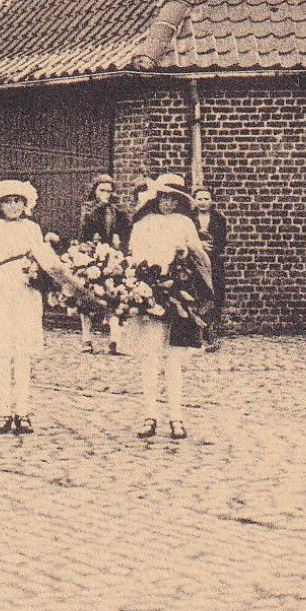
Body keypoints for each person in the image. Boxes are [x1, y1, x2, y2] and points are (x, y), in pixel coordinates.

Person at [0, 180, 73, 435]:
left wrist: (66, 280)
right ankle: (3, 412)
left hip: (25, 296)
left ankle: (22, 412)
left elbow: (46, 260)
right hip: (1, 296)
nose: (13, 206)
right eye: (8, 201)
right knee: (3, 354)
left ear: (25, 205)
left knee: (22, 354)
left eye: (18, 201)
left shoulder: (32, 228)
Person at [124, 174, 213, 439]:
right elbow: (134, 256)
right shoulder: (143, 225)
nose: (168, 203)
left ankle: (176, 417)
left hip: (177, 294)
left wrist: (187, 257)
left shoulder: (184, 222)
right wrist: (141, 284)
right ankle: (150, 415)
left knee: (173, 359)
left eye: (174, 199)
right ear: (156, 198)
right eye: (164, 198)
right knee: (150, 357)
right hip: (149, 294)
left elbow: (199, 257)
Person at [77, 173, 132, 354]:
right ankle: (86, 338)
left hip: (113, 255)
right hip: (91, 253)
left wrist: (121, 249)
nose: (106, 194)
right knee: (86, 296)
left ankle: (115, 340)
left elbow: (125, 231)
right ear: (95, 191)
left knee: (116, 293)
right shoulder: (88, 208)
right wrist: (100, 206)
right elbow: (85, 229)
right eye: (102, 190)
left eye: (109, 191)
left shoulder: (117, 210)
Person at [192, 186, 230, 351]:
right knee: (195, 294)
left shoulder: (218, 218)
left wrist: (211, 248)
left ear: (211, 201)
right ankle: (195, 334)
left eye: (206, 199)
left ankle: (211, 333)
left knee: (214, 294)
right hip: (194, 261)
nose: (202, 202)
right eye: (199, 199)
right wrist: (198, 246)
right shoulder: (189, 218)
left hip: (213, 261)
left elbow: (222, 240)